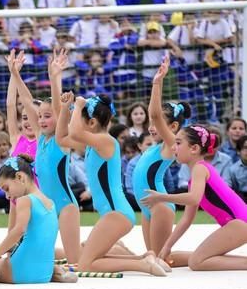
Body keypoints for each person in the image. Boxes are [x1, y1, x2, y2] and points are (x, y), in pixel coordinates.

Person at [63, 93, 168, 276]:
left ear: (93, 123)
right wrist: (66, 109)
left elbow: (74, 132)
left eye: (80, 119)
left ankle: (143, 265)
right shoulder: (93, 144)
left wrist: (78, 105)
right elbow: (62, 137)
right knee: (92, 257)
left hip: (116, 213)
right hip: (113, 213)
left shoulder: (106, 141)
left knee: (86, 264)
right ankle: (145, 257)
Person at [142, 125, 247, 271]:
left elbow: (194, 199)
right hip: (238, 224)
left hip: (239, 225)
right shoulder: (196, 177)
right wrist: (166, 247)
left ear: (194, 149)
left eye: (178, 143)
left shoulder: (200, 168)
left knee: (196, 263)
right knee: (172, 257)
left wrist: (161, 197)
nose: (173, 148)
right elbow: (186, 219)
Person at [16, 49, 82, 264]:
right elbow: (26, 100)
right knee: (40, 254)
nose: (42, 120)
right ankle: (97, 247)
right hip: (47, 208)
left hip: (66, 208)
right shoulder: (40, 138)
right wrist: (15, 74)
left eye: (47, 117)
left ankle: (121, 253)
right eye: (40, 117)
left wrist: (55, 76)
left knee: (76, 263)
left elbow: (57, 108)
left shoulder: (60, 140)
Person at [0, 155, 75, 285]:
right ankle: (57, 272)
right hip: (44, 273)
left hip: (19, 271)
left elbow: (19, 230)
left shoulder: (24, 200)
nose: (7, 196)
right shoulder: (51, 203)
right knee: (5, 253)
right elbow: (40, 238)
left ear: (19, 177)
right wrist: (10, 247)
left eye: (6, 188)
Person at [132, 55, 191, 254]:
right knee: (153, 257)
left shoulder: (171, 143)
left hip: (160, 206)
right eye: (150, 124)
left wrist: (157, 83)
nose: (151, 127)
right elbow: (156, 117)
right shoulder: (153, 147)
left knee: (159, 259)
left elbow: (156, 114)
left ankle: (197, 257)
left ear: (173, 126)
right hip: (148, 206)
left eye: (156, 124)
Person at [228, 136, 247, 201]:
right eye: (245, 148)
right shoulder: (233, 169)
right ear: (238, 151)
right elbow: (233, 189)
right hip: (242, 198)